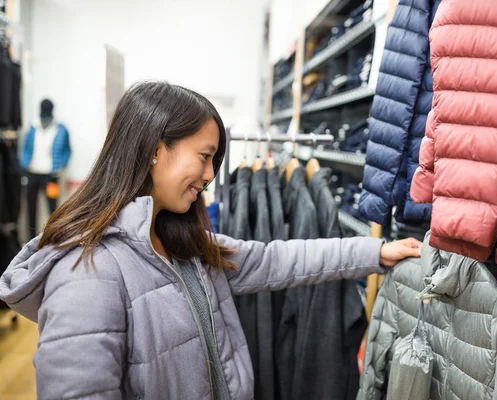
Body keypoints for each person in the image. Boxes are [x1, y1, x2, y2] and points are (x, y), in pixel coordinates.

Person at [0, 82, 422, 400]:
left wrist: (376, 251)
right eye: (204, 156)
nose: (210, 176)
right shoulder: (86, 271)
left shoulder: (181, 245)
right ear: (154, 149)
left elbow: (280, 260)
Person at [19, 99, 71, 239]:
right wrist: (24, 164)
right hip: (32, 173)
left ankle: (51, 239)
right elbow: (25, 148)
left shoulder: (61, 129)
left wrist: (60, 165)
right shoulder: (32, 128)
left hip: (50, 175)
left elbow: (67, 150)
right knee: (31, 208)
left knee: (52, 208)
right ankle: (30, 239)